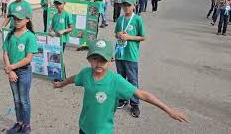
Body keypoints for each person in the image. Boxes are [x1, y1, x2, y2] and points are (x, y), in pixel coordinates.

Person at [53, 39, 188, 134]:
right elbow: (74, 78)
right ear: (88, 59)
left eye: (103, 59)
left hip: (103, 131)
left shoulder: (116, 81)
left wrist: (168, 110)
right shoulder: (85, 73)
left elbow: (142, 94)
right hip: (84, 127)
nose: (99, 63)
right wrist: (61, 83)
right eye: (95, 58)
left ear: (111, 60)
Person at [2, 5, 38, 134]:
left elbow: (28, 59)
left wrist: (11, 67)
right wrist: (10, 70)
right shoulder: (10, 34)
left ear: (27, 19)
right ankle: (19, 122)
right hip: (12, 72)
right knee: (16, 99)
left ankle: (26, 125)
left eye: (19, 18)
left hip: (24, 72)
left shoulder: (30, 36)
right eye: (14, 18)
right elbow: (5, 53)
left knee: (24, 99)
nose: (16, 21)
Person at [114, 0, 146, 117]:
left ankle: (135, 103)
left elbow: (143, 37)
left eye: (129, 5)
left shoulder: (137, 19)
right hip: (120, 54)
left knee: (133, 80)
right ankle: (122, 99)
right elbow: (116, 34)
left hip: (131, 55)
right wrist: (119, 35)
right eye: (124, 5)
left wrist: (129, 37)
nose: (126, 8)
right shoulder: (120, 19)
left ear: (134, 5)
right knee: (121, 79)